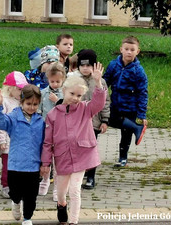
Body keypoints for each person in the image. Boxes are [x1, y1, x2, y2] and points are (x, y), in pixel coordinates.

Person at [41, 64, 107, 225]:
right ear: (64, 91)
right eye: (72, 94)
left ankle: (73, 221)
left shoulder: (86, 109)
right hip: (62, 157)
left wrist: (98, 83)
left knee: (75, 190)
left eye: (79, 95)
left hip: (82, 155)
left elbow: (99, 103)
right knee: (62, 192)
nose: (75, 98)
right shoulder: (52, 115)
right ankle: (61, 205)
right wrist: (45, 163)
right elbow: (47, 142)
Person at [0, 84, 45, 225]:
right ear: (21, 102)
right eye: (28, 103)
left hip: (33, 166)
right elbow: (0, 123)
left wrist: (45, 163)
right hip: (15, 165)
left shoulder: (41, 121)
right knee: (15, 192)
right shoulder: (14, 117)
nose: (31, 107)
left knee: (31, 196)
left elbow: (45, 145)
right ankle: (15, 203)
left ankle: (27, 218)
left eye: (35, 104)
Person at [103, 36, 148, 168]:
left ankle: (123, 158)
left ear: (137, 52)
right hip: (115, 103)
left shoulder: (138, 71)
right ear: (121, 49)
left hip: (130, 106)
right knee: (109, 119)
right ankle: (136, 127)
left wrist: (142, 113)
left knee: (126, 134)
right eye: (126, 49)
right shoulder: (113, 65)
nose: (129, 52)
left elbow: (143, 92)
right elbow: (106, 82)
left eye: (132, 50)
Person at [68, 49, 110, 189]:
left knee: (90, 150)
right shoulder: (73, 80)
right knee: (76, 149)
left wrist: (105, 120)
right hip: (76, 123)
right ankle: (78, 174)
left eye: (89, 65)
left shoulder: (100, 81)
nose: (85, 68)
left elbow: (105, 102)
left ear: (94, 66)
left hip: (94, 123)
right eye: (82, 65)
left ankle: (91, 177)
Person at [0, 71, 28, 198]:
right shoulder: (4, 102)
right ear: (10, 89)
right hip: (8, 142)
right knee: (8, 165)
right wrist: (1, 140)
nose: (22, 92)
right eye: (19, 89)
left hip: (21, 141)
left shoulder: (22, 101)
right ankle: (6, 185)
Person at [37, 62, 66, 199]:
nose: (55, 84)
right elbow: (39, 110)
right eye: (52, 81)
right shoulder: (43, 93)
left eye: (58, 81)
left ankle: (58, 188)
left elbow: (68, 110)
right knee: (46, 158)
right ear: (47, 79)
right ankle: (44, 181)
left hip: (60, 131)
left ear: (63, 80)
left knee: (58, 160)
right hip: (46, 130)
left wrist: (58, 100)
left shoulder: (65, 94)